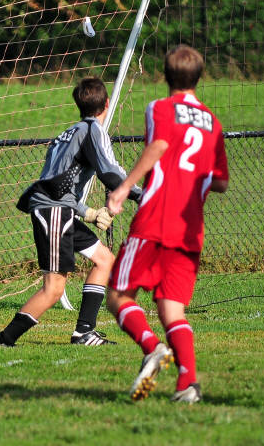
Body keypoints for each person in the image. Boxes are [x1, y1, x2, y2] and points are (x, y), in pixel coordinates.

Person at [106, 44, 229, 404]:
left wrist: (123, 188)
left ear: (165, 74)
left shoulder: (160, 107)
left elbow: (159, 144)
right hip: (189, 227)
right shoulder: (213, 122)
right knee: (172, 310)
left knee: (117, 295)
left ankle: (152, 347)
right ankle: (188, 384)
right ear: (199, 77)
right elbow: (221, 182)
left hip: (155, 219)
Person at [0, 77, 141, 348]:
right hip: (54, 211)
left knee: (104, 260)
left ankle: (84, 333)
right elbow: (109, 173)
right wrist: (142, 196)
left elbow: (58, 182)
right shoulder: (93, 130)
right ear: (107, 103)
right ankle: (3, 341)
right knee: (54, 288)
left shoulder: (69, 133)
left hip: (59, 209)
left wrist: (88, 212)